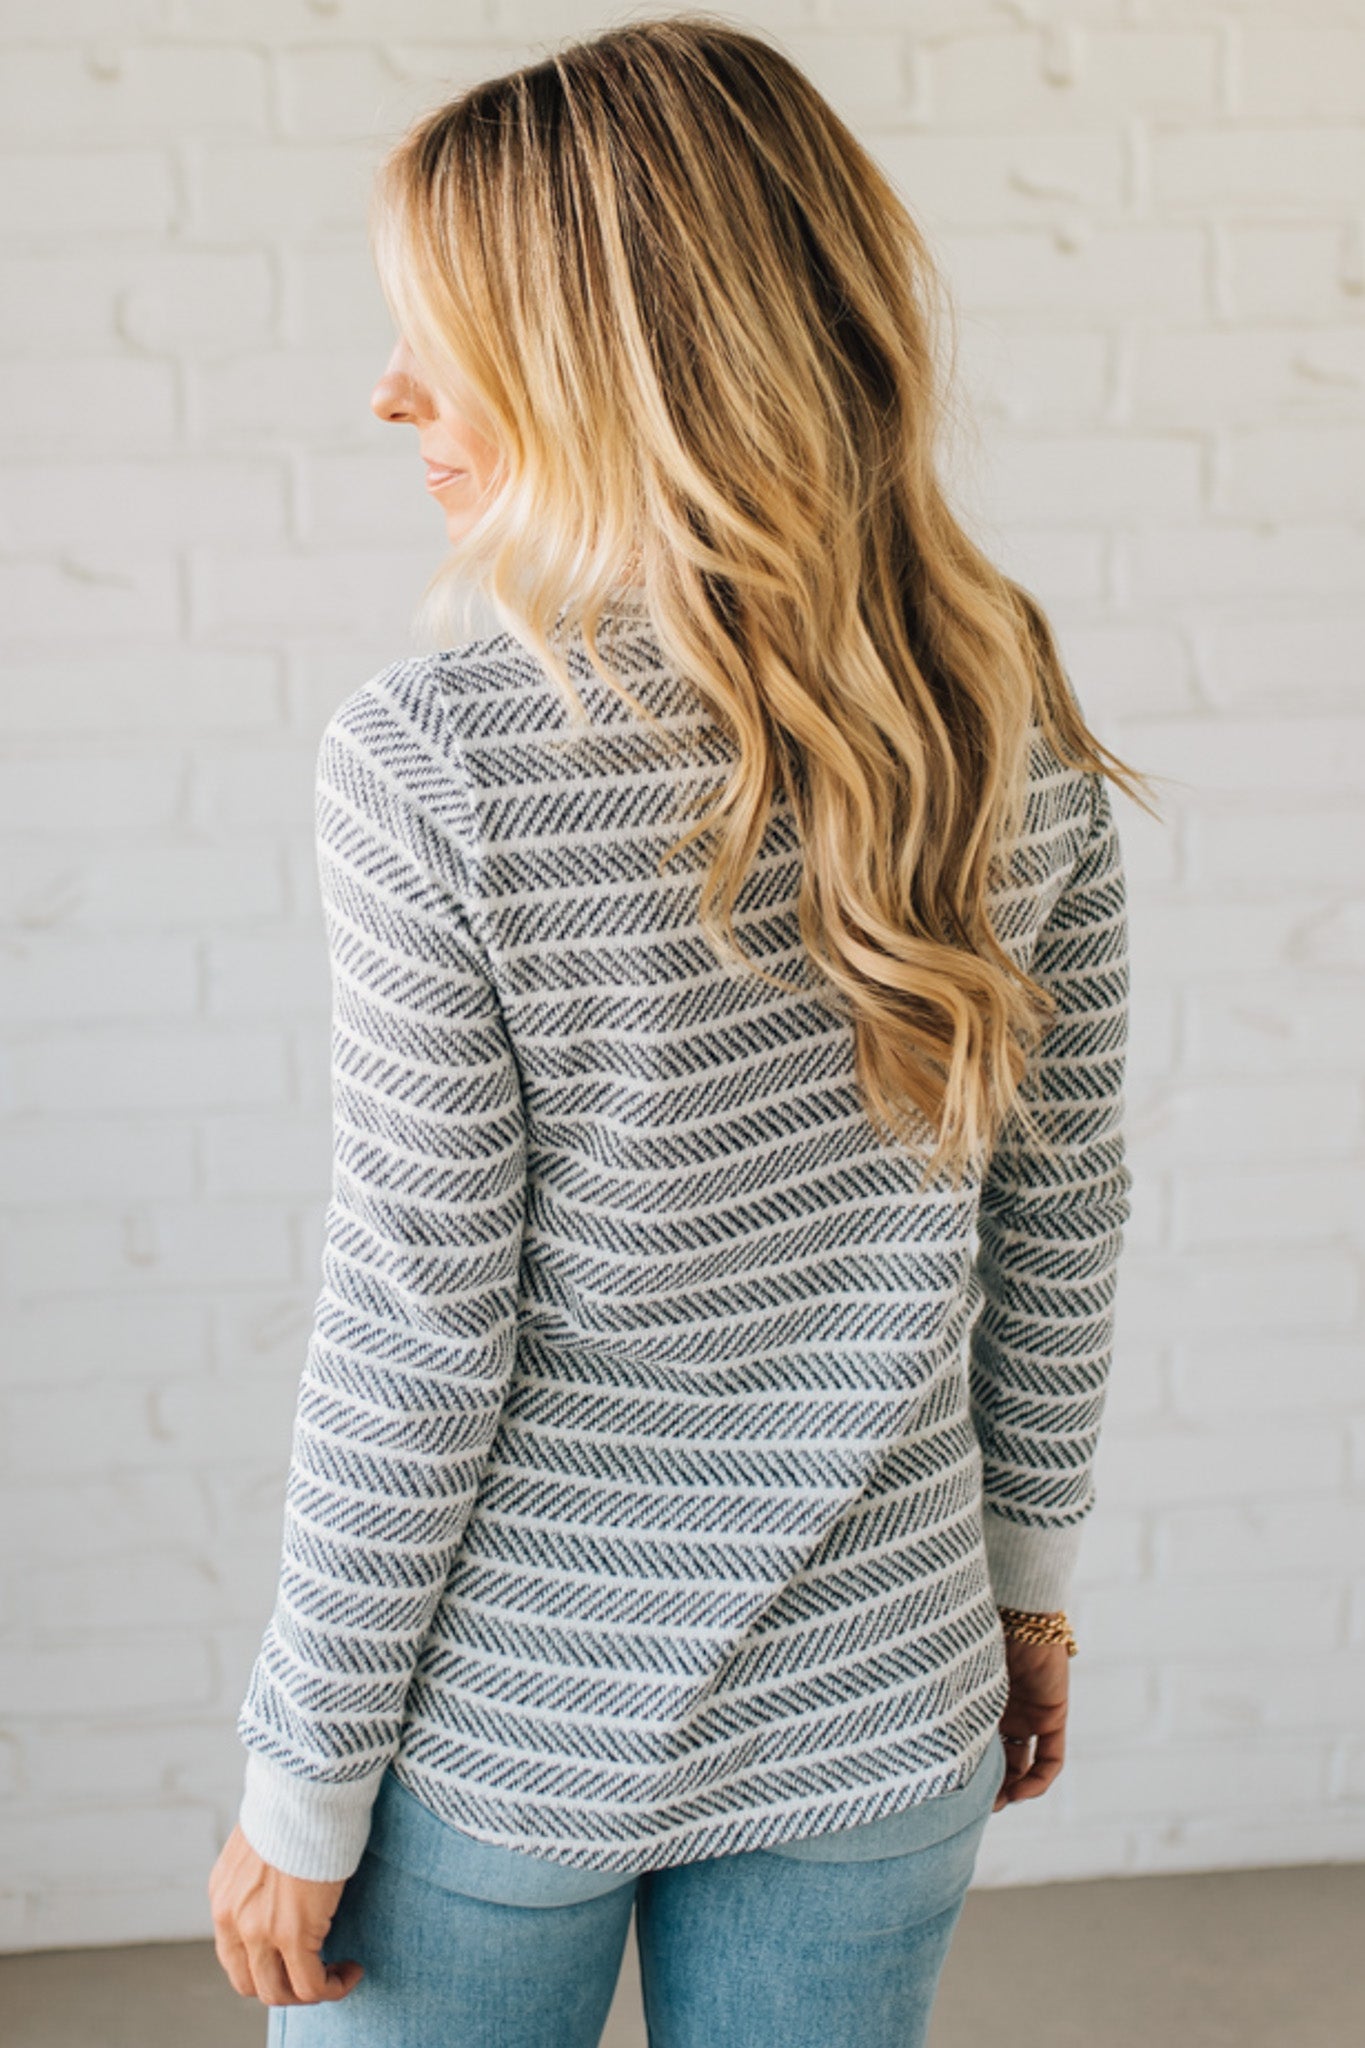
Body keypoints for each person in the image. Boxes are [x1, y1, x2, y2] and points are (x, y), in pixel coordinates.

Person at [208, 15, 1156, 2045]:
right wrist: (1024, 1579)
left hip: (501, 1738)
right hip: (883, 1688)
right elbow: (1059, 1213)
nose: (393, 398)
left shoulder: (438, 761)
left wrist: (300, 1775)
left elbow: (416, 1316)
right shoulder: (1000, 715)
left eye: (441, 345)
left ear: (604, 366)